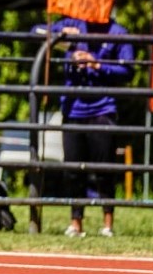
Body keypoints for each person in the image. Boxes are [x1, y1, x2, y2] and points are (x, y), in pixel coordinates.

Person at [34, 17, 134, 238]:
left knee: (104, 171)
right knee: (72, 171)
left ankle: (107, 223)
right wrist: (62, 39)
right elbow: (37, 31)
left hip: (103, 109)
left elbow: (128, 70)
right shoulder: (72, 24)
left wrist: (96, 63)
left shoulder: (118, 32)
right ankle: (75, 222)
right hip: (73, 109)